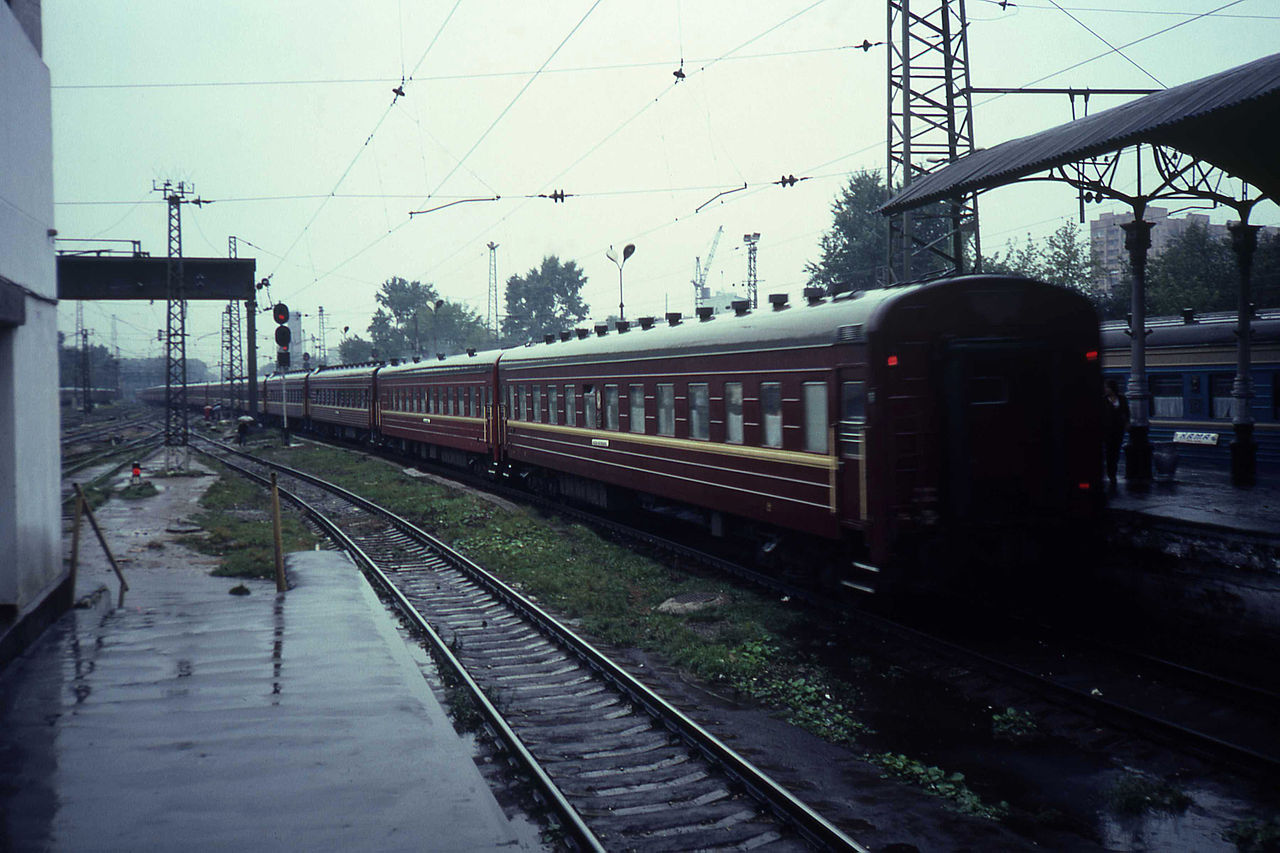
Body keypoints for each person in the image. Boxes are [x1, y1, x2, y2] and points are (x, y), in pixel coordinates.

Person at [1104, 379, 1130, 485]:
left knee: (1116, 452)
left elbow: (1127, 412)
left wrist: (1127, 423)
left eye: (1107, 387)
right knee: (1109, 452)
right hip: (1107, 430)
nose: (1105, 389)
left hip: (1118, 430)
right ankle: (1111, 474)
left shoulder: (1122, 399)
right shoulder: (1103, 400)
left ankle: (1112, 472)